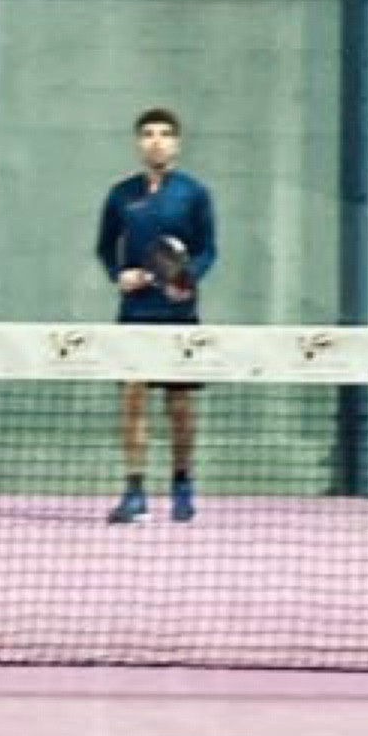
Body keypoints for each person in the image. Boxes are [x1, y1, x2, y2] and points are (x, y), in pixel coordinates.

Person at [94, 105, 217, 526]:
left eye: (165, 134)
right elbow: (105, 247)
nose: (156, 141)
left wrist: (186, 277)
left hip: (179, 314)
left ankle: (182, 484)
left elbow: (208, 249)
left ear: (176, 144)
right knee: (132, 400)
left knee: (179, 406)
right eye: (148, 134)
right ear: (138, 143)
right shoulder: (121, 195)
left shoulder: (194, 194)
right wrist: (119, 274)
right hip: (135, 313)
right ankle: (134, 492)